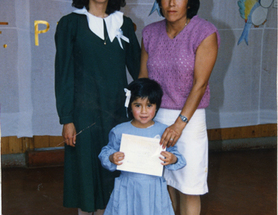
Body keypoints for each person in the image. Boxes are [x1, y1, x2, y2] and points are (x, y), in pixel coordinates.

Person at [54, 0, 141, 214]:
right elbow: (63, 74)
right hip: (83, 115)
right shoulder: (70, 24)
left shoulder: (124, 23)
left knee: (114, 174)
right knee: (86, 176)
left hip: (117, 115)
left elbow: (140, 70)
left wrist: (143, 111)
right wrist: (67, 118)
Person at [139, 0, 220, 214]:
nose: (172, 3)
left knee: (189, 186)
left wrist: (179, 124)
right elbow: (143, 78)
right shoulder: (149, 33)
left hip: (189, 120)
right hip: (154, 118)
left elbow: (200, 85)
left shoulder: (204, 32)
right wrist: (141, 119)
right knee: (163, 183)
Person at [98, 78, 186, 215]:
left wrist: (172, 159)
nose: (144, 111)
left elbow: (179, 158)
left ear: (157, 106)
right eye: (138, 105)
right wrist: (111, 157)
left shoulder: (164, 132)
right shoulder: (119, 131)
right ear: (130, 106)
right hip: (127, 188)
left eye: (149, 105)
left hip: (154, 190)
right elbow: (106, 152)